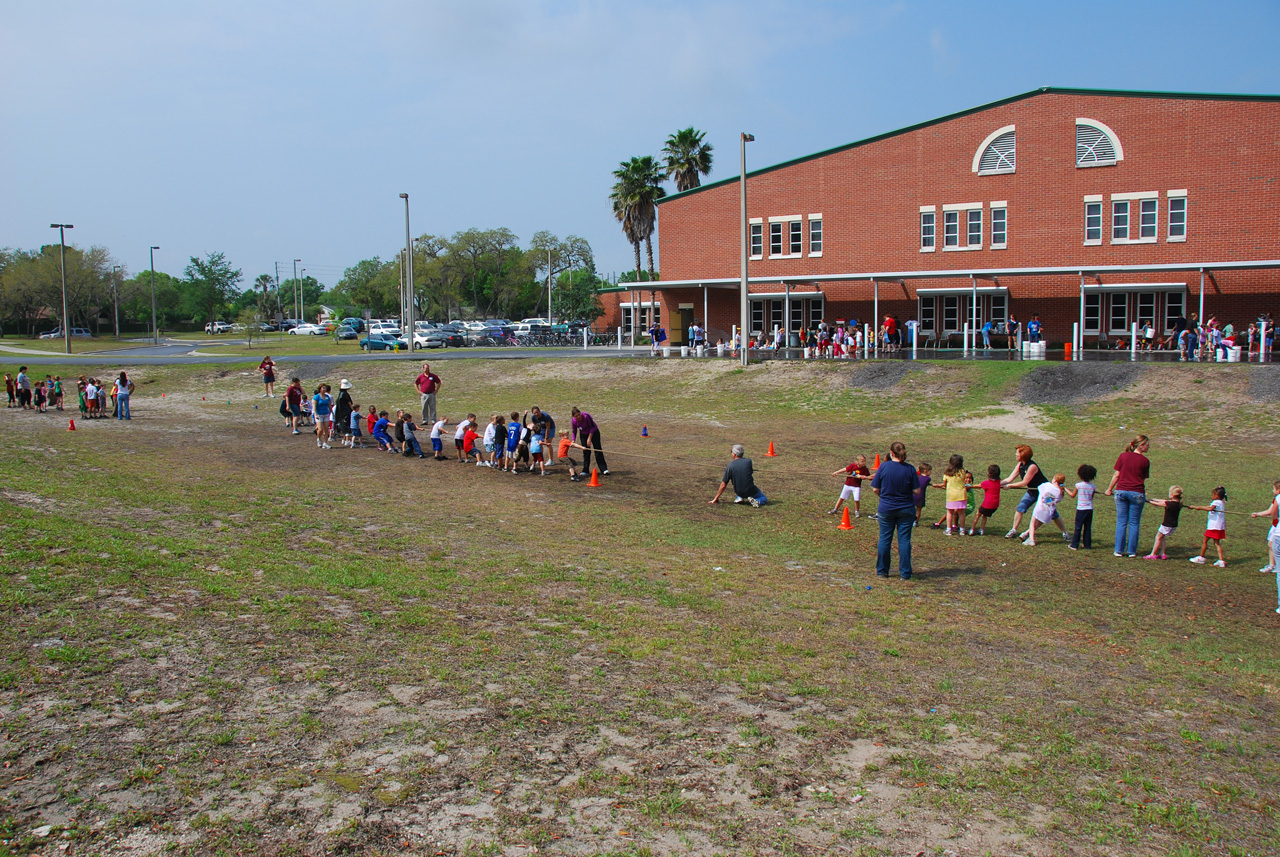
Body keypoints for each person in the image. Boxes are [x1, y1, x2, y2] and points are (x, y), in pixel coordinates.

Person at [871, 441, 917, 579]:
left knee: (885, 539)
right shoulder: (910, 469)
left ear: (891, 453)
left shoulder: (884, 466)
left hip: (886, 508)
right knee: (904, 540)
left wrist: (884, 497)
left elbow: (875, 489)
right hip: (906, 508)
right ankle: (905, 573)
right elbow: (917, 490)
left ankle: (882, 571)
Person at [1103, 434, 1151, 557]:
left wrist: (1109, 489)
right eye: (1147, 444)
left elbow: (1117, 475)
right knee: (1134, 523)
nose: (1148, 447)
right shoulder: (1145, 461)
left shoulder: (1123, 456)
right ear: (1141, 446)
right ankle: (1131, 551)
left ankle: (1118, 550)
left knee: (1121, 522)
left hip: (1121, 491)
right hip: (1137, 492)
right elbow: (1142, 478)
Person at [1002, 445, 1053, 539]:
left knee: (1053, 514)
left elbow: (1024, 483)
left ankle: (1064, 533)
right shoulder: (1020, 465)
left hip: (1045, 493)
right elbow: (1009, 478)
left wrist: (1009, 486)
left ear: (1023, 454)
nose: (1015, 454)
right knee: (1020, 508)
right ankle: (1013, 530)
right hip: (1032, 491)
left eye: (1017, 452)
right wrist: (997, 484)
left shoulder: (1032, 466)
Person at [1188, 487, 1228, 567]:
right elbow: (1209, 506)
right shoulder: (1221, 502)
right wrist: (1197, 507)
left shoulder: (1216, 502)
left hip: (1213, 527)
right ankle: (1221, 561)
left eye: (1213, 494)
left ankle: (1201, 558)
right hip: (1219, 527)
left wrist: (1200, 508)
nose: (1212, 496)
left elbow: (1210, 508)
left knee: (1205, 541)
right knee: (1217, 543)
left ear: (1216, 495)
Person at [931, 454, 971, 535]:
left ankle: (948, 530)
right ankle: (962, 530)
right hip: (961, 494)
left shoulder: (947, 473)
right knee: (961, 513)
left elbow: (944, 484)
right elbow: (963, 480)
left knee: (949, 512)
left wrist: (938, 485)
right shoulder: (963, 471)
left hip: (951, 495)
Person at [1023, 473, 1066, 547]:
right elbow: (1058, 500)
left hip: (1039, 508)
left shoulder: (1047, 485)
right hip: (1048, 512)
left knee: (1032, 523)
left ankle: (1031, 539)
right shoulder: (1060, 492)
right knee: (1038, 524)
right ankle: (1025, 534)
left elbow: (1039, 488)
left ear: (1055, 480)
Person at [1145, 486, 1185, 560]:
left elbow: (1160, 504)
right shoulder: (1177, 503)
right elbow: (1164, 501)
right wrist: (1154, 499)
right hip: (1173, 525)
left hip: (1167, 525)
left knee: (1158, 538)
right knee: (1162, 538)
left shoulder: (1170, 504)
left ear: (1172, 495)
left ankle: (1153, 554)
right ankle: (1162, 554)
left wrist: (1148, 501)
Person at [1248, 480, 1280, 572]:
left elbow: (1270, 512)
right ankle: (1273, 565)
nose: (1273, 491)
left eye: (1274, 489)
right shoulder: (1276, 499)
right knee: (1271, 544)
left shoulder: (1278, 498)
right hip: (1276, 526)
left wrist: (1257, 514)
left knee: (1272, 544)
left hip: (1277, 527)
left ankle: (1272, 565)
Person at [1064, 464, 1097, 550]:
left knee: (1078, 527)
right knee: (1088, 527)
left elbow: (1072, 495)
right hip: (1089, 509)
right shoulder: (1093, 486)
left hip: (1081, 509)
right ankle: (1087, 545)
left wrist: (1065, 489)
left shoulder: (1079, 485)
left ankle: (1074, 545)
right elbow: (1091, 497)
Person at [570, 407, 609, 476]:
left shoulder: (586, 416)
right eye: (576, 416)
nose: (578, 417)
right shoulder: (574, 421)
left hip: (594, 432)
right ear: (573, 416)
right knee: (586, 451)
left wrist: (589, 438)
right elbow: (574, 431)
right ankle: (585, 470)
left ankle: (604, 469)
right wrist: (573, 440)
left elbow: (593, 427)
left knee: (598, 450)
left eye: (579, 414)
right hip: (583, 434)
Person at [969, 465, 1003, 536]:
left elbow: (978, 486)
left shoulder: (987, 483)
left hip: (987, 504)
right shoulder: (999, 482)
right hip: (995, 505)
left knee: (978, 514)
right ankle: (982, 530)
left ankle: (972, 529)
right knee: (985, 515)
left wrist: (968, 486)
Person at [312, 384, 334, 449]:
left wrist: (332, 412)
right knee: (320, 429)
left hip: (326, 414)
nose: (324, 389)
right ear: (320, 389)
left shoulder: (327, 397)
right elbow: (315, 406)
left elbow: (329, 405)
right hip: (319, 414)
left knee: (326, 429)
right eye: (323, 388)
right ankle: (319, 439)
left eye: (325, 388)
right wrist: (315, 414)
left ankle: (325, 443)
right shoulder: (316, 397)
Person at [334, 380, 354, 444]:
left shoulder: (340, 394)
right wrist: (353, 410)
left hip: (340, 412)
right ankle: (347, 440)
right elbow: (349, 404)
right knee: (347, 426)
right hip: (346, 412)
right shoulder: (345, 394)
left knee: (343, 425)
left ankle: (344, 439)